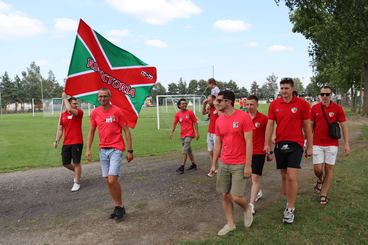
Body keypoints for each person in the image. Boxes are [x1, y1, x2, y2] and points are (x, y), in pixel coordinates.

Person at [264, 77, 313, 224]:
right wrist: (267, 144)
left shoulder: (302, 104)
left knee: (292, 175)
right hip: (280, 143)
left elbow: (307, 126)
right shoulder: (274, 104)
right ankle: (288, 198)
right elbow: (270, 125)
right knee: (284, 175)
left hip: (296, 144)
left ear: (292, 89)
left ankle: (290, 208)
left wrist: (309, 146)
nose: (284, 91)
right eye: (282, 88)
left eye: (287, 88)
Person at [86, 88, 133, 221]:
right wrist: (88, 149)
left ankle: (119, 206)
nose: (102, 99)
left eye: (105, 96)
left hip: (116, 149)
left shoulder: (117, 111)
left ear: (110, 97)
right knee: (109, 182)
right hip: (103, 151)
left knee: (112, 180)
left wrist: (130, 151)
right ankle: (119, 206)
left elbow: (126, 131)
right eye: (100, 97)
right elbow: (91, 131)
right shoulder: (95, 113)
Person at [211, 90, 254, 236]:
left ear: (228, 102)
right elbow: (218, 143)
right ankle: (230, 224)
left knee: (236, 196)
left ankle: (247, 208)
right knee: (224, 195)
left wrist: (248, 165)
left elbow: (249, 142)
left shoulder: (243, 117)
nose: (216, 103)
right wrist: (213, 163)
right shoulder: (219, 120)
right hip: (224, 162)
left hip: (240, 163)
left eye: (219, 100)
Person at [311, 85, 350, 205]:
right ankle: (320, 179)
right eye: (322, 94)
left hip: (332, 144)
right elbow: (310, 126)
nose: (324, 97)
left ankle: (324, 194)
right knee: (317, 169)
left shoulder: (337, 108)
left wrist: (347, 144)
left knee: (329, 169)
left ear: (331, 95)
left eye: (327, 94)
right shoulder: (315, 108)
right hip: (317, 142)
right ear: (319, 95)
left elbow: (344, 126)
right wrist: (307, 142)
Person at [245, 95, 272, 214]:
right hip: (245, 152)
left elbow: (268, 136)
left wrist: (269, 151)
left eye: (252, 104)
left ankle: (251, 205)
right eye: (248, 104)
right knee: (250, 176)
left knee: (255, 177)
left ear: (257, 105)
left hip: (258, 152)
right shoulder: (243, 118)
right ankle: (258, 191)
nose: (250, 107)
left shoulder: (264, 119)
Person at [54, 92, 83, 192]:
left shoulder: (79, 112)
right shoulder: (62, 115)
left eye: (77, 103)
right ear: (69, 103)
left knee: (76, 162)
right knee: (65, 163)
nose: (76, 105)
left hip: (77, 142)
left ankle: (77, 182)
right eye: (74, 103)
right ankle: (77, 172)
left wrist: (65, 97)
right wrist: (57, 140)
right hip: (66, 143)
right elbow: (60, 130)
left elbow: (70, 110)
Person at [169, 98, 199, 174]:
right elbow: (174, 124)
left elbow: (195, 122)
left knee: (184, 150)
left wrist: (197, 133)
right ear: (179, 105)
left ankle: (182, 167)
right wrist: (171, 132)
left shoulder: (190, 113)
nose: (184, 104)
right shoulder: (177, 114)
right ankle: (194, 164)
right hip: (182, 134)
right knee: (189, 150)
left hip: (190, 134)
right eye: (182, 103)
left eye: (185, 103)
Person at [202, 95, 219, 177]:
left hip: (217, 133)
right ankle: (214, 167)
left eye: (209, 100)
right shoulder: (210, 108)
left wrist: (215, 104)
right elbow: (203, 113)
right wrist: (204, 105)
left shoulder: (218, 107)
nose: (208, 101)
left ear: (214, 100)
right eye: (207, 100)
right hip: (210, 132)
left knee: (218, 152)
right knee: (210, 151)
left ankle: (217, 168)